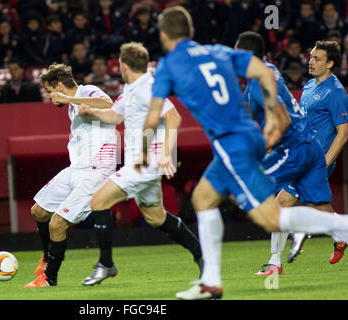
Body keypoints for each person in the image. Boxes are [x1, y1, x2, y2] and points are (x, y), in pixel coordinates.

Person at [140, 6, 348, 300]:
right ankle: (211, 281)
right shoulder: (217, 52)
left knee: (270, 216)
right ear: (191, 32)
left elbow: (152, 118)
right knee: (203, 198)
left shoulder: (168, 65)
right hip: (247, 138)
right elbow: (264, 70)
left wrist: (143, 152)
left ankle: (342, 226)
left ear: (163, 35)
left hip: (233, 144)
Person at [78, 42, 203, 286]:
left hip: (145, 164)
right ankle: (201, 254)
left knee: (98, 201)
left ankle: (106, 264)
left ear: (124, 66)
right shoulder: (132, 89)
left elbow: (174, 117)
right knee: (156, 218)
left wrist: (167, 154)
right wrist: (90, 112)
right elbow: (115, 115)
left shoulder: (148, 88)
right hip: (141, 164)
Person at [234, 31, 334, 275]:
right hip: (303, 146)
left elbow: (282, 119)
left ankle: (276, 262)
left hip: (297, 149)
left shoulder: (260, 81)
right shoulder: (263, 73)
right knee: (317, 210)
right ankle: (276, 262)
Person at [24, 63, 117, 288]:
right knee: (38, 211)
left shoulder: (87, 91)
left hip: (97, 171)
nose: (48, 96)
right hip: (77, 168)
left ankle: (49, 279)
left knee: (57, 224)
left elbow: (108, 103)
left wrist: (69, 100)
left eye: (49, 91)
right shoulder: (71, 106)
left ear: (58, 85)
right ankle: (48, 257)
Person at [282, 41, 348, 264]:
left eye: (316, 58)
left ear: (330, 63)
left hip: (316, 161)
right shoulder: (309, 86)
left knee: (281, 203)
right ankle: (341, 236)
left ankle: (275, 264)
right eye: (310, 57)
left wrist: (326, 161)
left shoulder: (336, 92)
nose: (310, 62)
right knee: (318, 208)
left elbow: (344, 132)